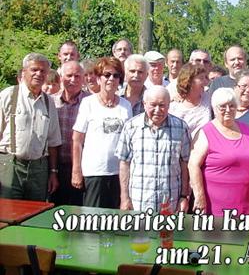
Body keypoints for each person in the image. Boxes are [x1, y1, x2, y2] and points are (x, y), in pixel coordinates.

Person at [188, 88, 249, 216]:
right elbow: (193, 165)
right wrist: (199, 196)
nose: (228, 110)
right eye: (222, 107)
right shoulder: (205, 133)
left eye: (232, 106)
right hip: (217, 206)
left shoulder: (247, 130)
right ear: (214, 108)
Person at [116, 86, 191, 212]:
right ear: (144, 104)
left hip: (170, 202)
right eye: (153, 105)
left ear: (169, 105)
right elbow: (124, 164)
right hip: (139, 202)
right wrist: (124, 198)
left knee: (166, 233)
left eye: (162, 105)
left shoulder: (181, 127)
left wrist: (184, 196)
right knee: (140, 232)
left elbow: (184, 164)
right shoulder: (131, 127)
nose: (158, 110)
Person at [72, 57, 133, 208]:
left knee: (115, 222)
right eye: (106, 75)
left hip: (119, 173)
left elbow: (130, 141)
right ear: (99, 78)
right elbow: (77, 140)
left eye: (116, 75)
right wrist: (76, 170)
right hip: (94, 172)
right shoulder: (88, 103)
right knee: (92, 220)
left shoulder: (126, 106)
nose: (111, 79)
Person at [0, 53, 62, 200]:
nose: (38, 74)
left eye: (43, 71)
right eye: (34, 69)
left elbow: (53, 141)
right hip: (10, 164)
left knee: (35, 213)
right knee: (7, 213)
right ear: (24, 72)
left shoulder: (49, 102)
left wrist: (53, 172)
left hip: (39, 168)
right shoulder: (8, 96)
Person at [52, 61, 89, 205]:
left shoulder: (91, 102)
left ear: (84, 78)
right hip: (57, 167)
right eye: (69, 76)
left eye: (77, 76)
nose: (73, 80)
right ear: (61, 77)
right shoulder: (51, 102)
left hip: (82, 168)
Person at [169, 64, 211, 138]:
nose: (206, 82)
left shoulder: (209, 98)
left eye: (205, 77)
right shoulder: (174, 105)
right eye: (201, 78)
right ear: (189, 80)